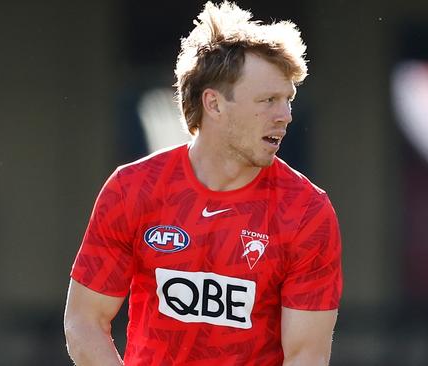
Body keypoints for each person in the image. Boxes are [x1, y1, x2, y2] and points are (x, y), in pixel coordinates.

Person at [64, 2, 343, 365]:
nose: (285, 116)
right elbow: (84, 322)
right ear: (214, 103)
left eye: (288, 100)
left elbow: (306, 356)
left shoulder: (306, 212)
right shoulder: (132, 189)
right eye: (268, 100)